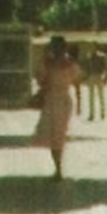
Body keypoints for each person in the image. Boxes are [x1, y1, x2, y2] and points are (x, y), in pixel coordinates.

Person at [32, 36, 81, 180]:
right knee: (58, 134)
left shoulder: (48, 64)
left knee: (55, 134)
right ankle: (58, 168)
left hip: (53, 99)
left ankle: (58, 168)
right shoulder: (70, 64)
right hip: (64, 100)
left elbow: (41, 81)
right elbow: (77, 83)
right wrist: (79, 103)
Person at [85, 49, 107, 121]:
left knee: (97, 96)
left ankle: (99, 113)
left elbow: (104, 67)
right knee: (96, 96)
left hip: (96, 75)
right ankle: (96, 113)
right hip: (94, 75)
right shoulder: (92, 56)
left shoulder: (96, 57)